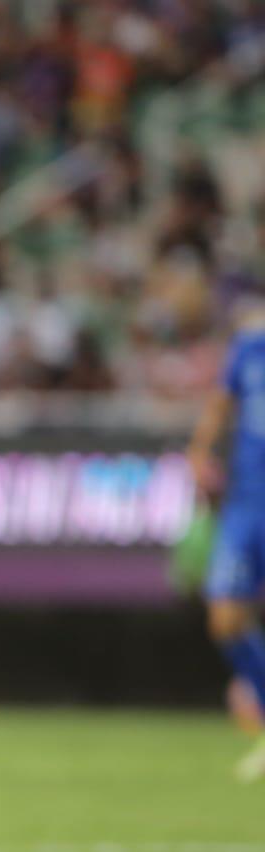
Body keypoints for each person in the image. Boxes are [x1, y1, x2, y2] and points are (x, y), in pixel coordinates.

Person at [187, 300, 265, 781]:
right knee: (225, 616)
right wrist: (199, 452)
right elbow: (221, 402)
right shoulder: (250, 345)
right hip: (246, 502)